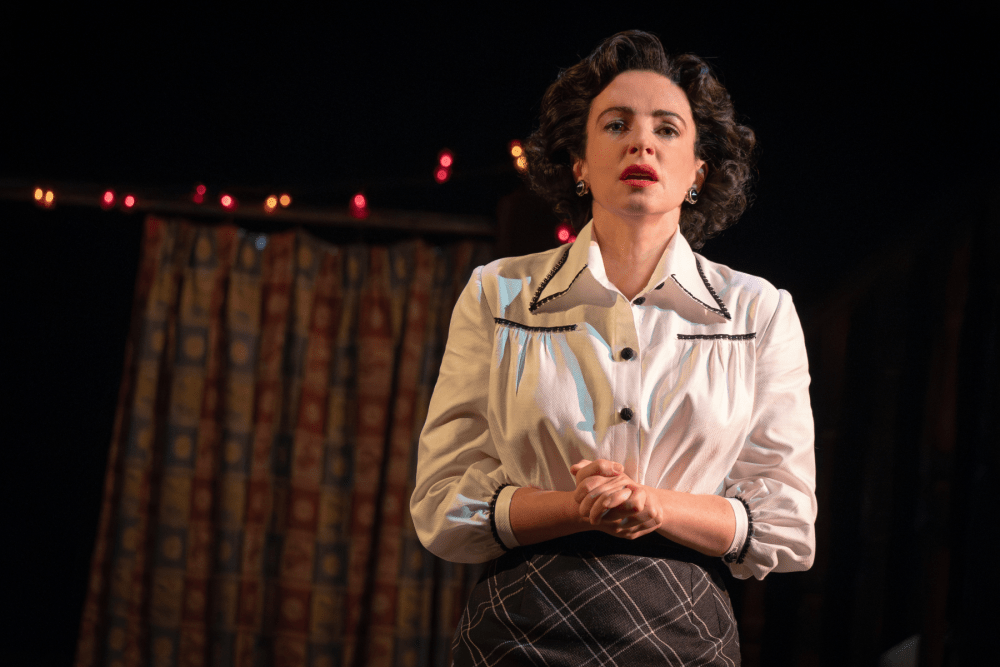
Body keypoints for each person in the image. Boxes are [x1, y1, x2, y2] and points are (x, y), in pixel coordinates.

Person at [410, 30, 816, 666]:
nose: (641, 143)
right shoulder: (499, 293)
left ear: (698, 172)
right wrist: (578, 508)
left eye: (667, 129)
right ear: (578, 162)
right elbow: (443, 505)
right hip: (519, 633)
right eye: (616, 124)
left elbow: (787, 527)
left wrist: (653, 506)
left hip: (682, 637)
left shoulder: (758, 311)